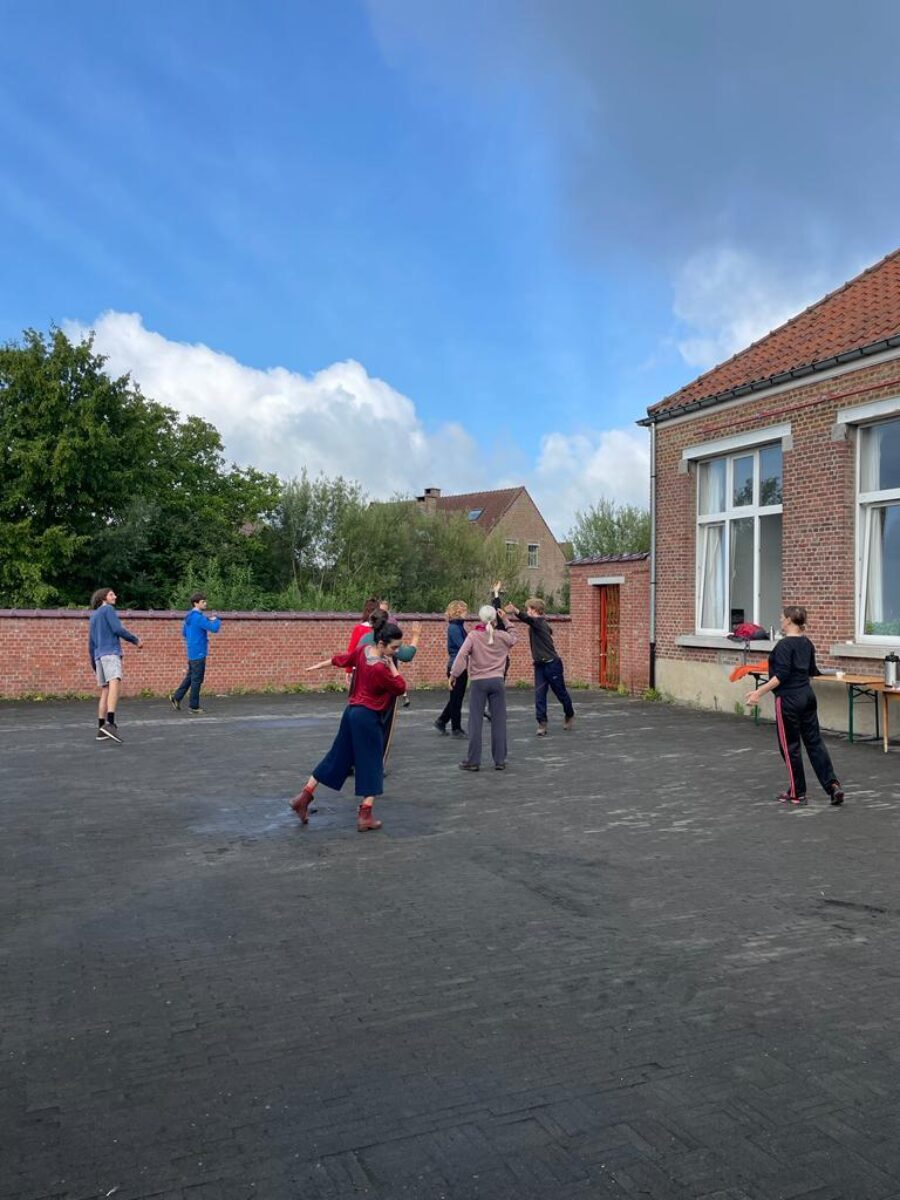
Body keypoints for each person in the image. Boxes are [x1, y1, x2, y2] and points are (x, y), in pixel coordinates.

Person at [290, 620, 407, 831]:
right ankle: (365, 815)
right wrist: (391, 665)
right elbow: (400, 687)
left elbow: (342, 659)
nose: (396, 651)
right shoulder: (380, 668)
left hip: (351, 713)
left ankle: (304, 797)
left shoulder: (363, 651)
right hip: (368, 717)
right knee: (371, 762)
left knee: (338, 756)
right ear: (382, 643)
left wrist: (320, 665)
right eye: (394, 647)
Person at [745, 605, 845, 807]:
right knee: (814, 743)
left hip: (789, 700)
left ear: (790, 620)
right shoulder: (807, 643)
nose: (780, 621)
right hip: (807, 696)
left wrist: (757, 692)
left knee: (790, 747)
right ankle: (832, 785)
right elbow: (811, 671)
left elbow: (779, 677)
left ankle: (797, 793)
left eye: (782, 618)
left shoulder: (784, 646)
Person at [450, 605, 516, 771]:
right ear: (495, 618)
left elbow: (462, 655)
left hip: (479, 682)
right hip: (497, 681)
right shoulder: (503, 636)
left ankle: (473, 761)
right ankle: (500, 760)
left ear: (480, 618)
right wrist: (506, 620)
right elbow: (515, 637)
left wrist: (454, 675)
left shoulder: (473, 636)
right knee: (499, 721)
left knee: (475, 722)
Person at [355, 613, 421, 761]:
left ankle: (354, 760)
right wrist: (416, 636)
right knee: (384, 726)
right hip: (385, 688)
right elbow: (407, 655)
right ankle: (377, 760)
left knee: (362, 724)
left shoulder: (364, 639)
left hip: (364, 688)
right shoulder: (388, 641)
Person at [504, 597, 575, 736]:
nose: (527, 611)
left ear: (535, 610)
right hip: (540, 666)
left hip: (552, 664)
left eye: (528, 609)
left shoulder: (538, 622)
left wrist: (515, 611)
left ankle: (569, 713)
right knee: (539, 695)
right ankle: (542, 723)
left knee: (561, 693)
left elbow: (528, 619)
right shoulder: (538, 624)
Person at [87, 587, 143, 743]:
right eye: (112, 594)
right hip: (110, 653)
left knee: (105, 690)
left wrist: (94, 663)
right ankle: (110, 724)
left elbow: (91, 644)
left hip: (99, 656)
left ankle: (101, 729)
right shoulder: (108, 610)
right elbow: (118, 629)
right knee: (114, 684)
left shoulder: (93, 617)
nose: (115, 596)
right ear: (103, 598)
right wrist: (135, 640)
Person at [169, 592, 222, 714]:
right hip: (199, 652)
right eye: (203, 602)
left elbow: (184, 633)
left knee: (190, 677)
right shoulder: (199, 617)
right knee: (197, 680)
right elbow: (214, 628)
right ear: (196, 603)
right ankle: (194, 706)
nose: (205, 603)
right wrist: (216, 619)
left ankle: (176, 697)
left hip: (192, 651)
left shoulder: (189, 617)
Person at [434, 600, 469, 737]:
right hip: (456, 665)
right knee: (456, 698)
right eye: (465, 610)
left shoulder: (458, 627)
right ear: (458, 612)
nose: (467, 612)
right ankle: (456, 728)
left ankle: (442, 721)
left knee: (456, 697)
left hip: (459, 664)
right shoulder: (454, 628)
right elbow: (463, 646)